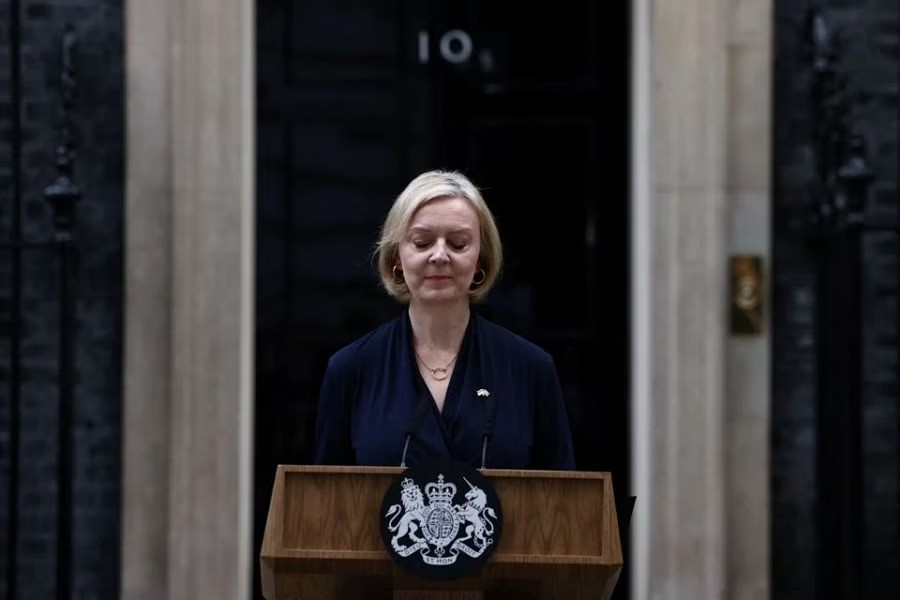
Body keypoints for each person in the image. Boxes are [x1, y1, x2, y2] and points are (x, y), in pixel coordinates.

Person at [312, 170, 576, 470]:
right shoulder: (351, 369)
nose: (439, 255)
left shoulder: (531, 369)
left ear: (481, 258)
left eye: (458, 243)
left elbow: (563, 504)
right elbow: (325, 505)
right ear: (397, 256)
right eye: (422, 243)